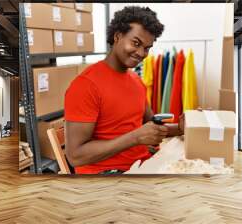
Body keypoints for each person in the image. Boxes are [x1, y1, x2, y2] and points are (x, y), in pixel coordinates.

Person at [64, 6, 184, 174]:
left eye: (147, 48)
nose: (142, 53)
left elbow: (150, 126)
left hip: (142, 165)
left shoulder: (136, 80)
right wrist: (136, 138)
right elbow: (75, 156)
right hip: (106, 176)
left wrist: (183, 127)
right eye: (136, 43)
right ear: (117, 36)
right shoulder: (85, 85)